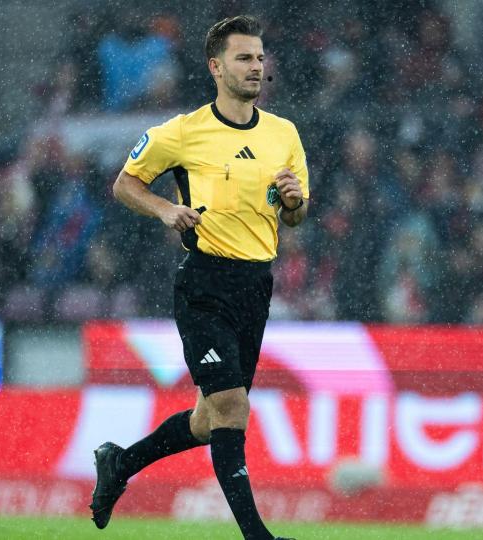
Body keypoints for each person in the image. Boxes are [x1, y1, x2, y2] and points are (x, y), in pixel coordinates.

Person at [90, 16, 307, 540]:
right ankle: (258, 535)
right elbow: (125, 184)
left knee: (211, 419)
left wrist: (296, 201)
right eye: (243, 58)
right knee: (234, 407)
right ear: (216, 67)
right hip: (205, 283)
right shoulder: (183, 132)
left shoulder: (284, 134)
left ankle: (121, 463)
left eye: (259, 58)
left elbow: (295, 213)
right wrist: (166, 210)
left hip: (256, 287)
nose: (256, 67)